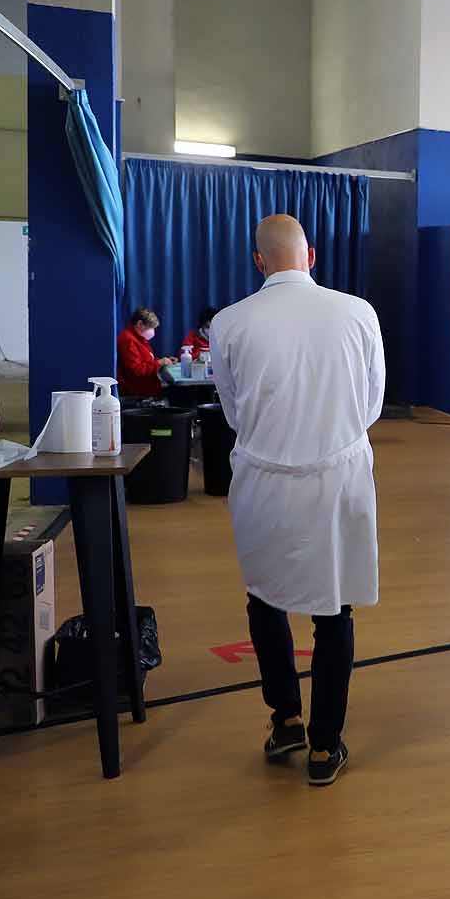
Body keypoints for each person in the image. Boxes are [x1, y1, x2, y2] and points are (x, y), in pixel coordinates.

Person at [211, 214, 385, 787]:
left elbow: (235, 412)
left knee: (265, 598)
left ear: (259, 261)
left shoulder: (229, 322)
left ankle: (286, 716)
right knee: (334, 608)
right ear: (311, 257)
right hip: (338, 476)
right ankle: (324, 744)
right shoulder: (358, 312)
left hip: (263, 478)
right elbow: (372, 402)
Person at [117, 308, 176, 398]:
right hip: (138, 393)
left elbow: (146, 361)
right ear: (140, 324)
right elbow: (136, 370)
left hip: (147, 389)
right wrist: (159, 363)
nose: (152, 331)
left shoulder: (138, 338)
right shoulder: (128, 340)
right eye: (151, 328)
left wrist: (163, 361)